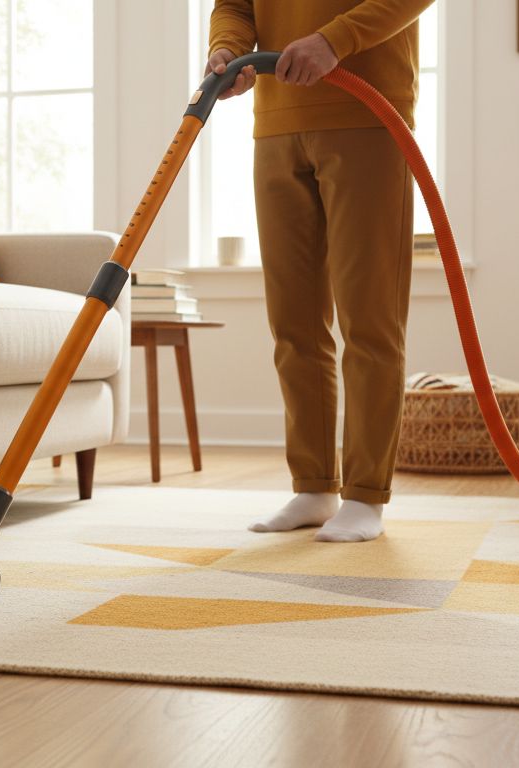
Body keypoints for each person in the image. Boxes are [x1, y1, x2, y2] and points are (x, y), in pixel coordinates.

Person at [207, 0, 434, 541]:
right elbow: (234, 4)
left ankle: (364, 496)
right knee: (294, 325)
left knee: (369, 320)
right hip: (277, 122)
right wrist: (228, 48)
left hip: (367, 112)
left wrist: (336, 40)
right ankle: (313, 486)